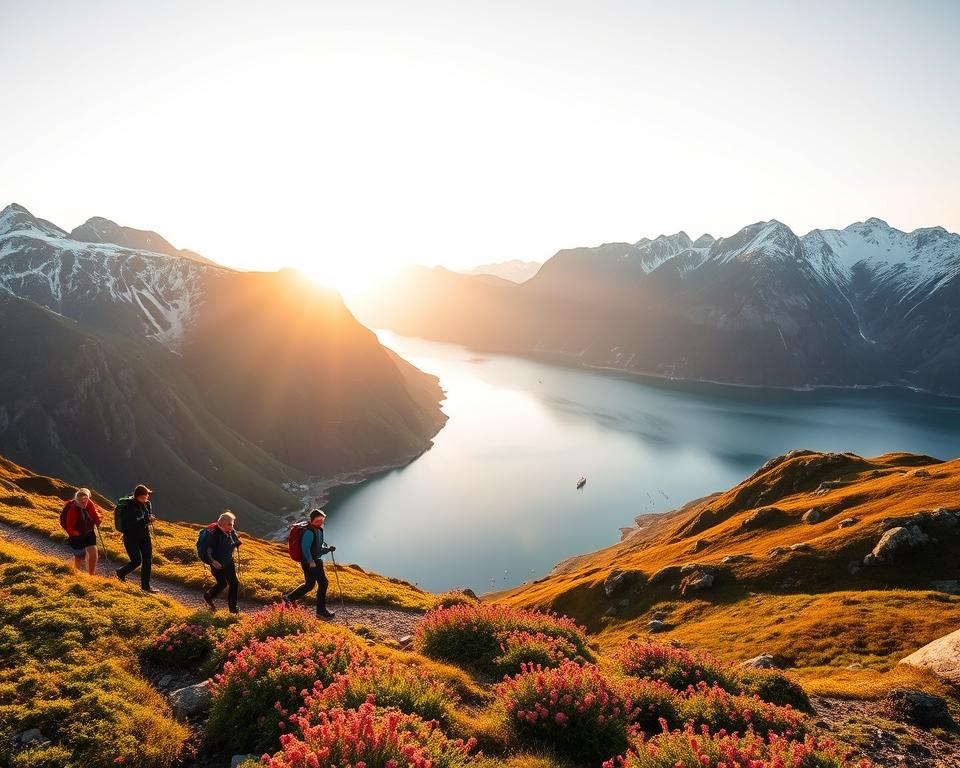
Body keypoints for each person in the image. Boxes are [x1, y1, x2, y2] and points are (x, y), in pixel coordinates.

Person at [283, 509, 336, 618]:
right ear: (312, 520)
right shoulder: (309, 532)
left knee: (309, 585)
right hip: (311, 562)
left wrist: (327, 549)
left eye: (321, 520)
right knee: (323, 583)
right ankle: (321, 612)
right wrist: (311, 561)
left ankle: (290, 598)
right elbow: (305, 548)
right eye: (317, 520)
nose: (320, 522)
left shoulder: (318, 530)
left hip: (310, 561)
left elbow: (317, 547)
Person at [115, 484, 159, 593]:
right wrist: (145, 520)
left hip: (144, 536)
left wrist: (150, 519)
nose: (145, 499)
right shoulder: (129, 506)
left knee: (147, 561)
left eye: (146, 497)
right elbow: (128, 525)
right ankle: (121, 572)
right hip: (131, 537)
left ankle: (146, 587)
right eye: (143, 497)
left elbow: (146, 518)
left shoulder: (147, 504)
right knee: (136, 561)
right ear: (136, 496)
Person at [203, 511, 242, 614]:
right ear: (221, 524)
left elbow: (233, 542)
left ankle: (232, 609)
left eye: (232, 524)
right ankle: (209, 596)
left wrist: (237, 543)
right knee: (222, 584)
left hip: (229, 562)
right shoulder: (214, 534)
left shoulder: (230, 531)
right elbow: (208, 550)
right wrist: (213, 561)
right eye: (229, 524)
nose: (232, 526)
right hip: (218, 565)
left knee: (234, 583)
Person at [61, 488, 103, 575]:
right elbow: (70, 528)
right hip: (77, 535)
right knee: (80, 557)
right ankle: (76, 572)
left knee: (93, 552)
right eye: (82, 503)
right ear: (76, 501)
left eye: (86, 502)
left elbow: (94, 514)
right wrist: (78, 534)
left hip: (89, 530)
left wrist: (97, 521)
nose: (84, 504)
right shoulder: (72, 511)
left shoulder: (88, 503)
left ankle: (91, 574)